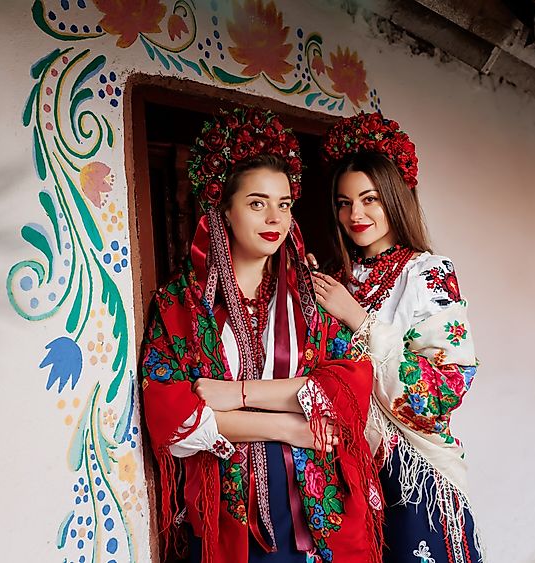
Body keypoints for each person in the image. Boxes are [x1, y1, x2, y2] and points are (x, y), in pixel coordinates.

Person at [140, 107, 382, 563]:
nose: (274, 217)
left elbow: (349, 387)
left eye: (283, 204)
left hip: (316, 502)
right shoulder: (181, 305)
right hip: (229, 508)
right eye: (256, 203)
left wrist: (231, 395)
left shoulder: (312, 295)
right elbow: (168, 411)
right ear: (225, 212)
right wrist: (289, 425)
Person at [312, 112, 483, 563]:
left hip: (414, 472)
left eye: (369, 199)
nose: (356, 214)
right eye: (344, 203)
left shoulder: (428, 274)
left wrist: (361, 323)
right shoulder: (331, 280)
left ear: (393, 198)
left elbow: (446, 390)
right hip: (340, 470)